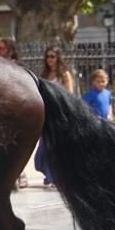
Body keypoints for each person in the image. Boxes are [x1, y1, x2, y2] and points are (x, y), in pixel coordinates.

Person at [35, 46, 75, 187]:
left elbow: (69, 94)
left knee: (56, 147)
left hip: (59, 114)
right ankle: (50, 174)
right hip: (47, 114)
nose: (50, 59)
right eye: (47, 57)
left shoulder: (64, 74)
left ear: (58, 57)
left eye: (52, 56)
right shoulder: (45, 74)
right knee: (43, 149)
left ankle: (56, 177)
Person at [0, 37, 28, 189]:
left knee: (13, 145)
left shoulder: (16, 68)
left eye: (1, 48)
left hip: (14, 111)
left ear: (10, 50)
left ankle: (18, 176)